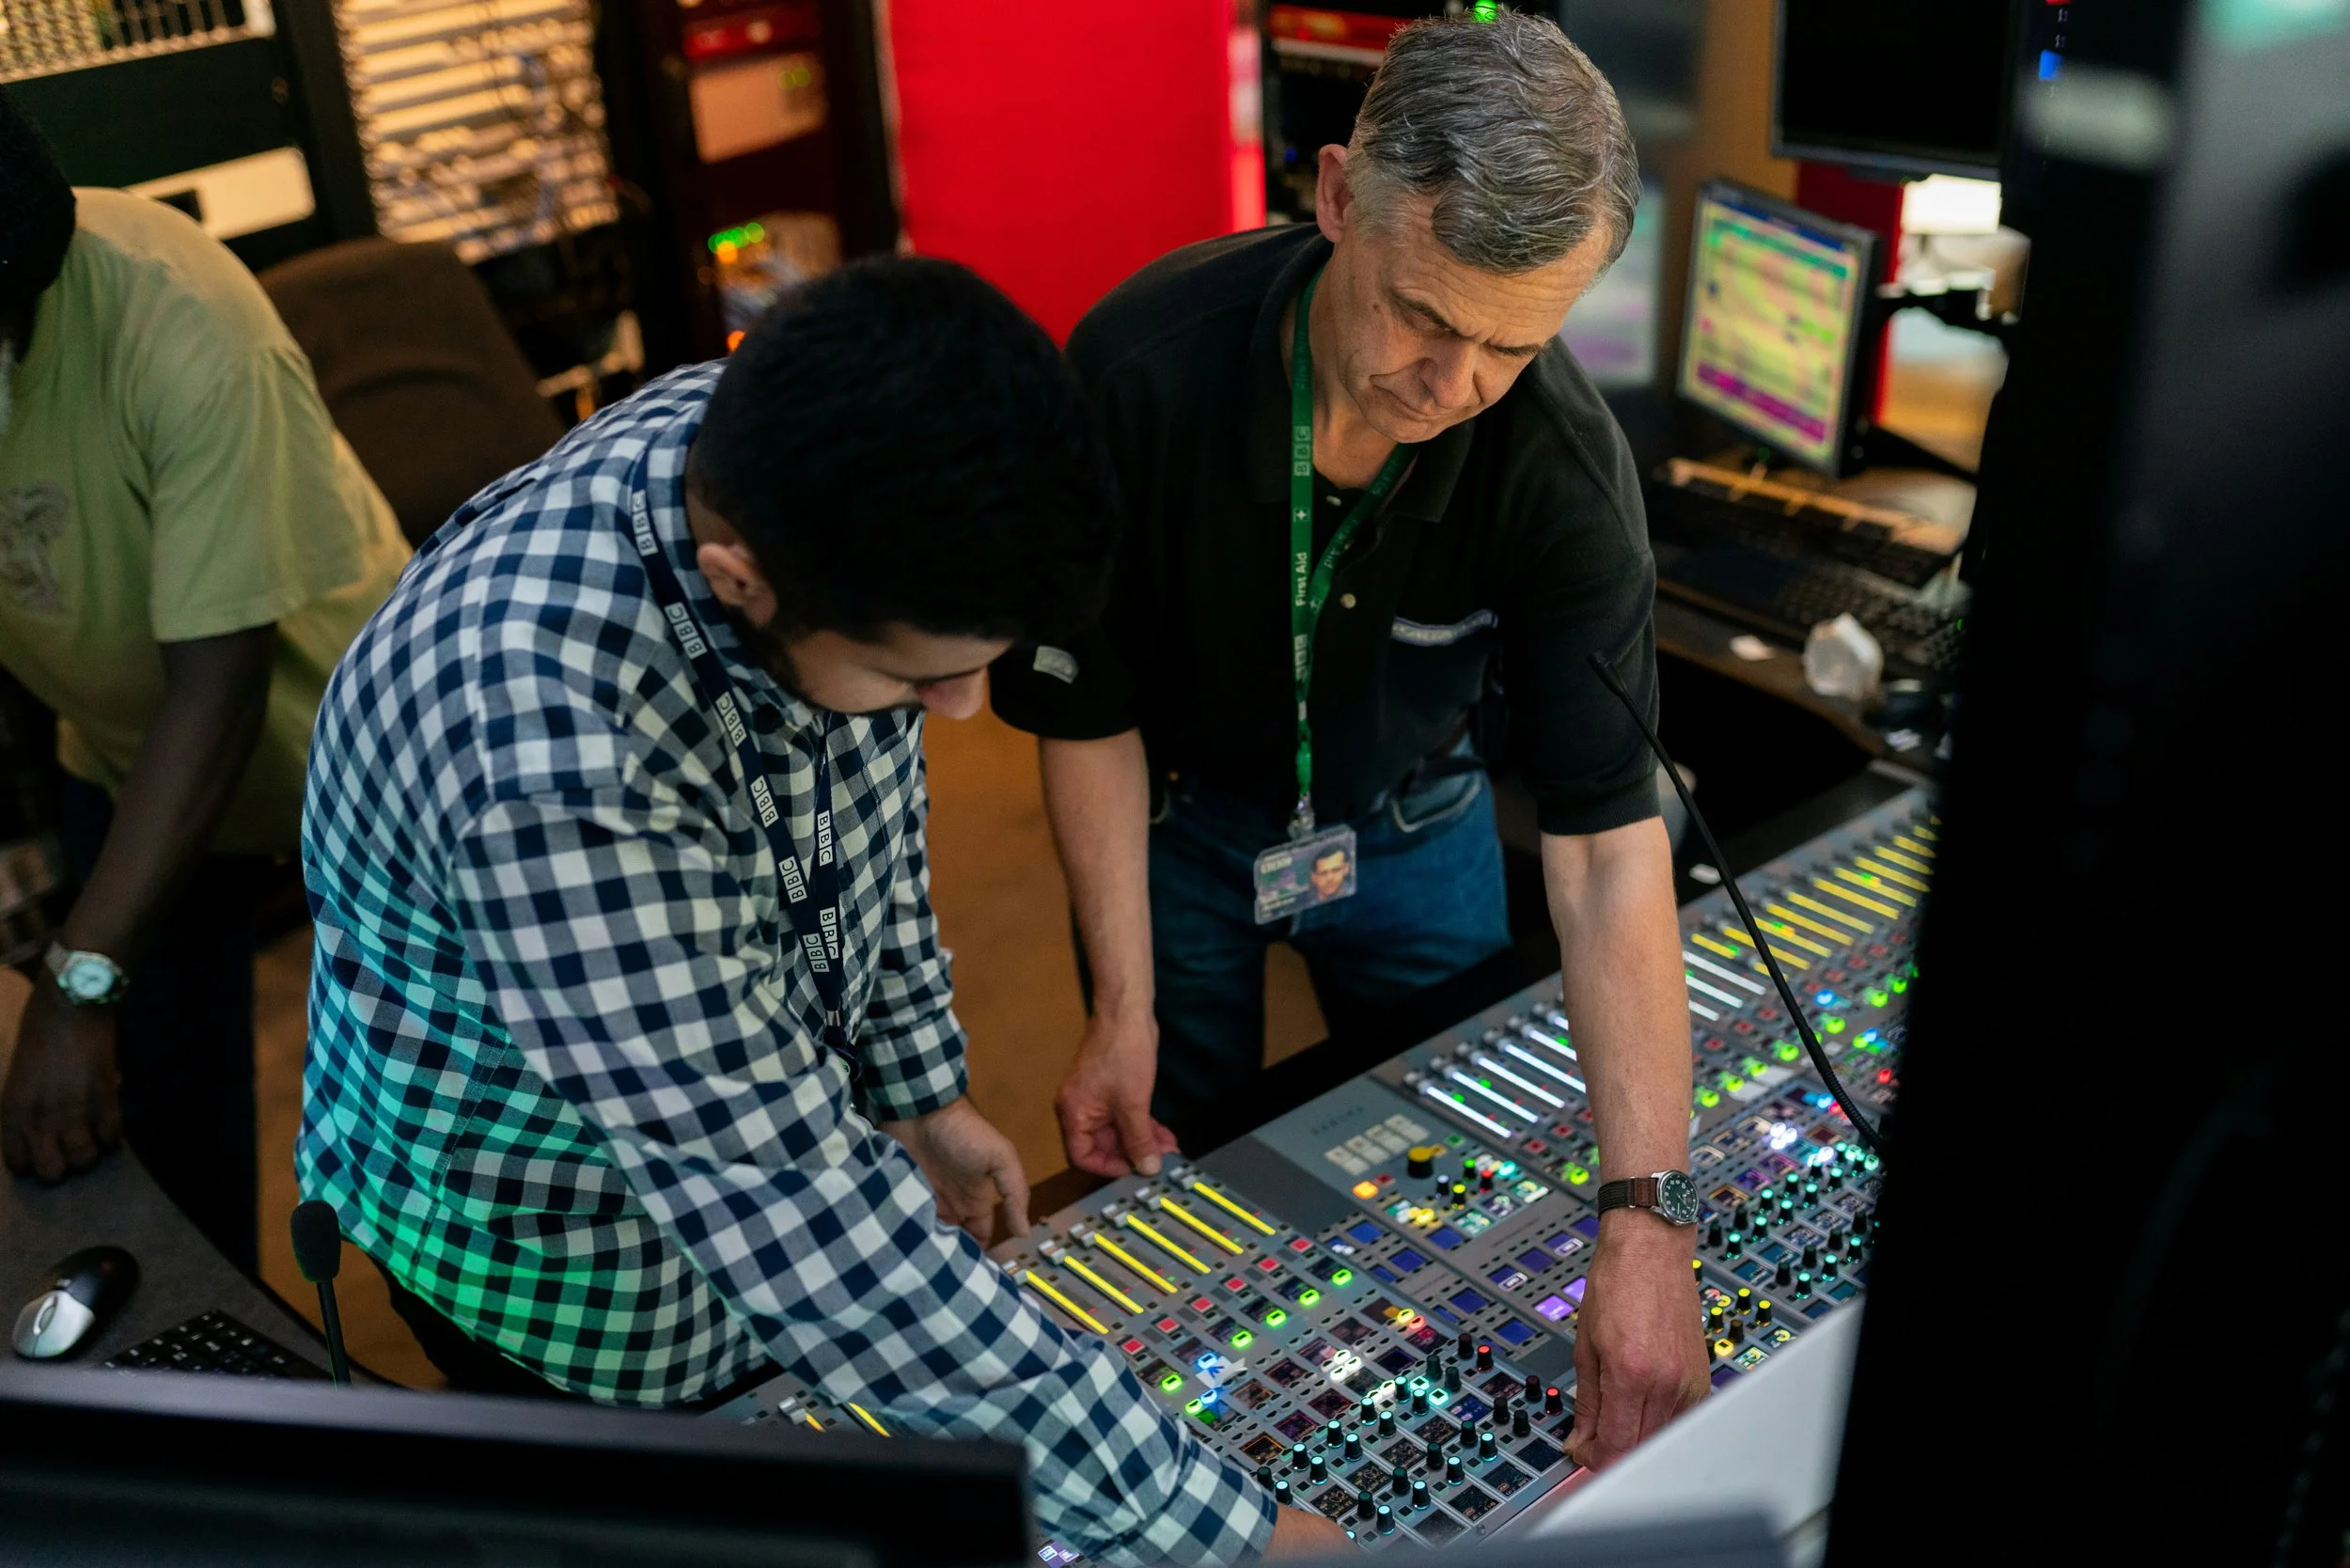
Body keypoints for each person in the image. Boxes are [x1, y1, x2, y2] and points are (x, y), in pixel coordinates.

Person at [299, 257, 1343, 1562]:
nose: (967, 715)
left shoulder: (773, 452)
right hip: (562, 1260)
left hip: (739, 1133)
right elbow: (794, 1215)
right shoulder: (554, 758)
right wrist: (1234, 1539)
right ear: (741, 583)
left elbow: (857, 812)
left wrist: (916, 1089)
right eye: (929, 676)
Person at [990, 13, 1709, 1471]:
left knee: (1451, 1169)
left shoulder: (1564, 467)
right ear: (1333, 198)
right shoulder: (1136, 369)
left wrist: (1648, 1214)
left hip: (1420, 819)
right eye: (1424, 317)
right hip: (1179, 826)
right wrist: (1116, 1002)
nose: (1453, 387)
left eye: (1514, 344)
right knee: (1171, 1170)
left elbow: (1607, 848)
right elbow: (1092, 715)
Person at [0, 90, 410, 1271]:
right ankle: (214, 1378)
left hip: (344, 761)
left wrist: (77, 982)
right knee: (165, 1127)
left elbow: (218, 687)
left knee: (424, 1141)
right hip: (127, 753)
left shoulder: (177, 319)